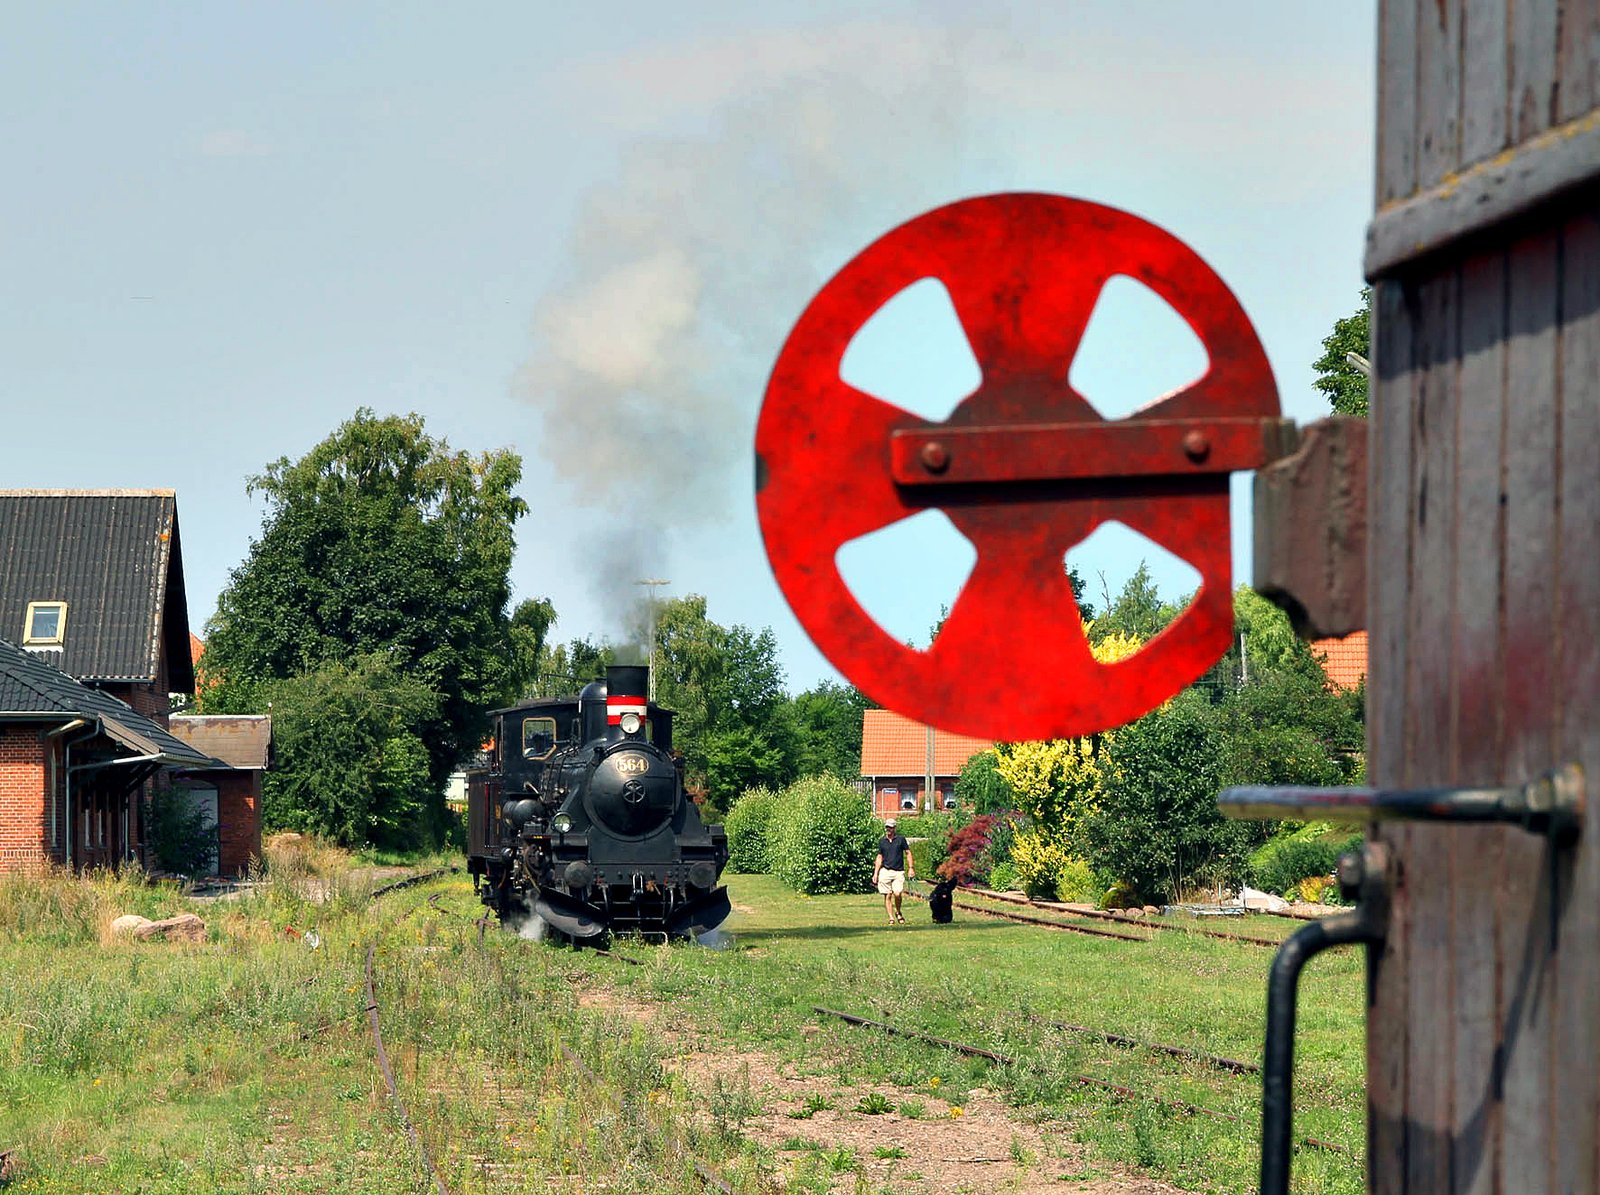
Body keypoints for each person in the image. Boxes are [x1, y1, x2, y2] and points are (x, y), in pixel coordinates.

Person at [873, 817, 915, 924]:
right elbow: (879, 857)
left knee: (897, 893)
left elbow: (908, 853)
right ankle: (891, 918)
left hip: (898, 871)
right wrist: (876, 873)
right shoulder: (882, 841)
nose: (888, 829)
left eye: (890, 827)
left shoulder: (901, 840)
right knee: (888, 895)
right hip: (885, 871)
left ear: (894, 828)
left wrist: (911, 868)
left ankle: (898, 911)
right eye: (887, 827)